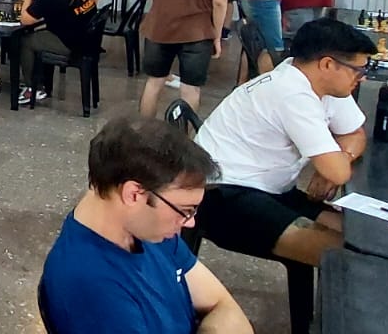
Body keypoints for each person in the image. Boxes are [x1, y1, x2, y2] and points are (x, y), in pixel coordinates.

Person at [40, 117, 251, 334]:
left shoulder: (148, 229)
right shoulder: (92, 290)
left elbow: (223, 305)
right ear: (134, 194)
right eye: (185, 210)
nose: (190, 222)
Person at [192, 19, 373, 268]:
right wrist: (332, 168)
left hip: (273, 188)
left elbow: (355, 135)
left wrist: (341, 158)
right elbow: (339, 172)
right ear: (327, 64)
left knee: (364, 236)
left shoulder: (319, 82)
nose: (362, 78)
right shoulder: (292, 93)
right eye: (358, 70)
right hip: (223, 195)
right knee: (350, 257)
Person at [17, 0, 101, 105]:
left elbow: (25, 19)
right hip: (90, 37)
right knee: (41, 33)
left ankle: (33, 88)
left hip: (73, 44)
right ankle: (42, 81)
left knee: (26, 40)